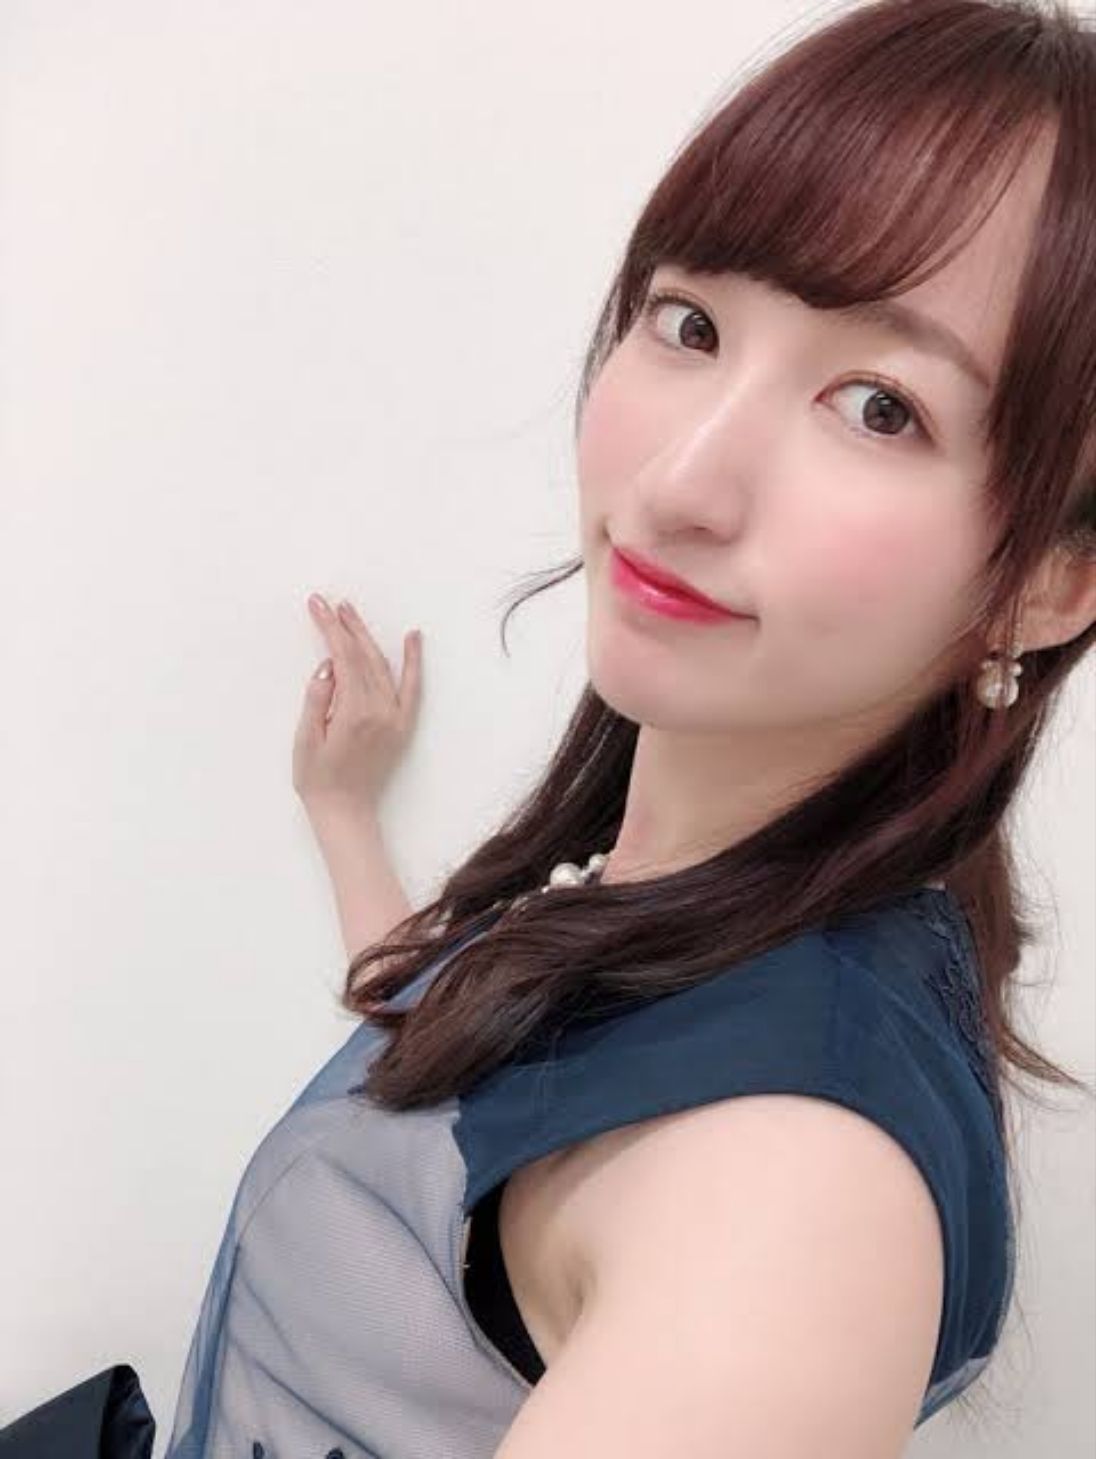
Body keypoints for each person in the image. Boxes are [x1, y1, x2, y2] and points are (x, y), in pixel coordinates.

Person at [3, 1, 1093, 1456]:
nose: (678, 484)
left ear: (1050, 580)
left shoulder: (779, 1202)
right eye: (691, 323)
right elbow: (469, 1088)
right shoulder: (704, 890)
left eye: (880, 407)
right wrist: (347, 816)